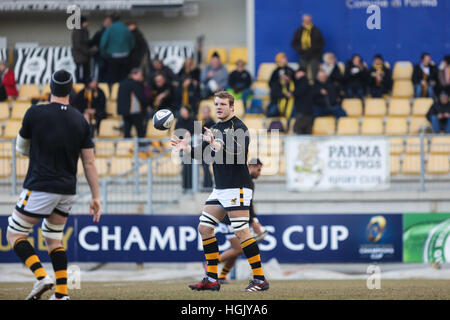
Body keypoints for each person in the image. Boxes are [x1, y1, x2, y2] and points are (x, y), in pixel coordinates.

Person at [6, 69, 101, 300]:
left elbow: (21, 148)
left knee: (14, 234)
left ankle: (41, 277)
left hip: (40, 184)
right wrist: (96, 196)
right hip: (67, 190)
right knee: (53, 238)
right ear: (71, 91)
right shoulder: (81, 120)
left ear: (50, 87)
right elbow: (89, 162)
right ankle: (61, 294)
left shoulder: (34, 113)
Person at [171, 91, 269, 292]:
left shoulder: (240, 128)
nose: (219, 107)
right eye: (216, 104)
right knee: (204, 228)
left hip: (237, 186)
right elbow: (206, 156)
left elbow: (239, 155)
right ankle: (212, 279)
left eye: (223, 104)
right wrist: (187, 148)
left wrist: (219, 146)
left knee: (241, 232)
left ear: (232, 107)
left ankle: (260, 279)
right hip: (221, 188)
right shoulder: (214, 128)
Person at [216, 158, 268, 283]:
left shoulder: (249, 181)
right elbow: (245, 204)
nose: (259, 173)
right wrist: (253, 221)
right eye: (258, 169)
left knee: (237, 251)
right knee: (238, 249)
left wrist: (253, 220)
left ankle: (222, 276)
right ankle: (211, 264)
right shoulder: (243, 179)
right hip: (229, 219)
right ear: (251, 166)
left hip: (234, 217)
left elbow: (249, 204)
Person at [100, 14, 135, 84]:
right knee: (124, 77)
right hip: (125, 55)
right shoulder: (125, 28)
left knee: (113, 77)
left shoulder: (110, 28)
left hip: (113, 56)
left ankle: (114, 91)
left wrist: (104, 53)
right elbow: (132, 42)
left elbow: (103, 42)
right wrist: (128, 50)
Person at [291, 14, 325, 82]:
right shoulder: (299, 30)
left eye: (308, 20)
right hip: (303, 55)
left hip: (314, 55)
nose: (307, 22)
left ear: (311, 20)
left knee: (314, 71)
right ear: (303, 21)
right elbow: (294, 43)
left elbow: (322, 43)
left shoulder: (316, 30)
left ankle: (314, 88)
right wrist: (300, 49)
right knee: (302, 72)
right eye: (305, 20)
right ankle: (304, 87)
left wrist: (314, 49)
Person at [117, 68, 149, 139]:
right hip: (134, 111)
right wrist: (147, 104)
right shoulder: (135, 83)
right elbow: (141, 97)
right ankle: (142, 148)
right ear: (135, 74)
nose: (141, 77)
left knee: (127, 131)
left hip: (124, 111)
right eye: (140, 75)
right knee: (140, 131)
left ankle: (126, 148)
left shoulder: (122, 83)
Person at [267, 53, 295, 118]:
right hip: (278, 100)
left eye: (285, 58)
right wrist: (280, 83)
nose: (285, 60)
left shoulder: (290, 70)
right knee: (271, 112)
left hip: (290, 101)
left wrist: (290, 93)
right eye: (283, 58)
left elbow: (296, 84)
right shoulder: (276, 72)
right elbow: (271, 86)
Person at [175, 106, 195, 192]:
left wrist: (189, 135)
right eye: (181, 111)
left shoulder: (194, 120)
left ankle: (191, 185)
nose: (182, 113)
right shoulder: (179, 122)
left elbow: (197, 134)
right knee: (185, 167)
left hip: (191, 147)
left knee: (190, 167)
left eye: (184, 111)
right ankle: (185, 186)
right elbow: (176, 134)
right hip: (182, 148)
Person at [90, 15, 113, 82]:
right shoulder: (99, 33)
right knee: (101, 70)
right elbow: (93, 43)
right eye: (107, 22)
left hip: (108, 56)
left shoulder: (111, 33)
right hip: (100, 56)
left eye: (109, 22)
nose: (108, 23)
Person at [293, 67, 314, 134]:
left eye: (298, 72)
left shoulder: (303, 81)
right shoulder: (303, 82)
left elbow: (298, 92)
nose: (296, 74)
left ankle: (299, 144)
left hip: (304, 111)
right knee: (306, 130)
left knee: (298, 128)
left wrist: (292, 93)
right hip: (306, 110)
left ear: (303, 73)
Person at [71, 16, 92, 84]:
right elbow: (78, 45)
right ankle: (80, 84)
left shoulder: (84, 30)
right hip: (80, 56)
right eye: (86, 22)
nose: (88, 23)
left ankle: (85, 83)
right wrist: (88, 51)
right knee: (80, 71)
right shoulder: (78, 31)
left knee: (85, 72)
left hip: (84, 56)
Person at [200, 105, 215, 190]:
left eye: (206, 112)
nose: (204, 114)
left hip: (210, 149)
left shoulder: (211, 123)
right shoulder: (204, 122)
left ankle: (207, 185)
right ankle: (207, 184)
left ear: (209, 112)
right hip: (206, 149)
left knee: (205, 165)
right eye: (203, 112)